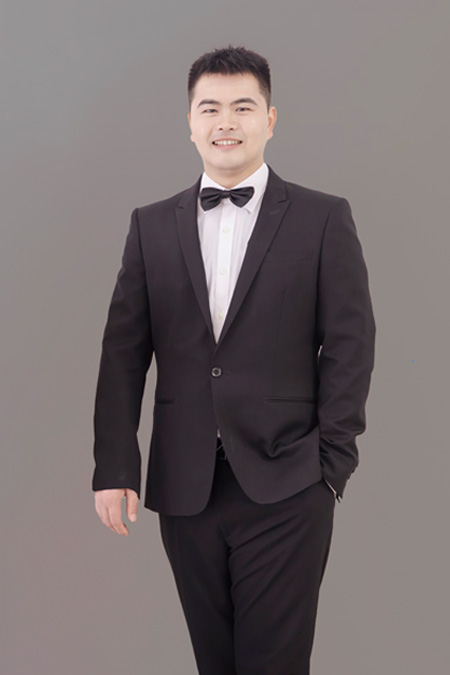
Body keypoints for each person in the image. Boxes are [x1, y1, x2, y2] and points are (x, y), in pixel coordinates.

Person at [92, 45, 376, 674]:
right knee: (215, 664)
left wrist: (332, 465)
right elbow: (123, 352)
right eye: (211, 108)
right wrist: (114, 465)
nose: (226, 122)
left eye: (243, 107)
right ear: (190, 123)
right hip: (184, 485)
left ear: (269, 120)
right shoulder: (150, 226)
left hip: (289, 479)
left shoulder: (323, 218)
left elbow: (350, 344)